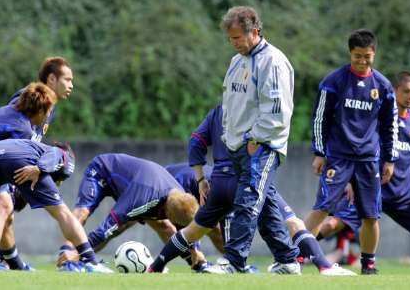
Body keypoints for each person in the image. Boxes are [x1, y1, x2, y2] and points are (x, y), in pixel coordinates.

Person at [150, 104, 355, 275]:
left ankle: (155, 267)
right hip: (251, 178)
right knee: (292, 220)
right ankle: (323, 266)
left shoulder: (218, 110)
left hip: (219, 181)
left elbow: (195, 142)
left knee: (193, 230)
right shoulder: (254, 109)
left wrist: (201, 178)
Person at [203, 6, 299, 274]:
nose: (233, 44)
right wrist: (227, 136)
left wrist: (255, 138)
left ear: (254, 32)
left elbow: (278, 111)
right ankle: (288, 260)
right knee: (265, 205)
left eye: (237, 38)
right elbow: (230, 102)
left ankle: (234, 261)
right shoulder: (236, 61)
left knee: (247, 201)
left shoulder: (273, 62)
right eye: (230, 39)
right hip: (238, 146)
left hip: (262, 146)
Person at [305, 29, 398, 275]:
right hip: (338, 157)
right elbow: (319, 119)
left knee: (371, 216)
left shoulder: (384, 86)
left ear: (374, 54)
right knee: (322, 208)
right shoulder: (333, 82)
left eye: (367, 56)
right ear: (350, 53)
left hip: (369, 160)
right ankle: (296, 256)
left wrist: (390, 159)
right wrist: (319, 152)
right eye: (357, 55)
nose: (362, 60)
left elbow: (390, 125)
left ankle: (368, 265)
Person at [0, 139, 112, 273]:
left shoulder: (21, 143)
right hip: (24, 164)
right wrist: (40, 168)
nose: (58, 183)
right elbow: (55, 154)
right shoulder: (60, 152)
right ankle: (90, 260)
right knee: (63, 213)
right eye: (59, 179)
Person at [317, 71, 410, 265]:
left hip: (400, 196)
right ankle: (294, 253)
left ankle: (365, 263)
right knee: (330, 224)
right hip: (368, 188)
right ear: (395, 91)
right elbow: (357, 149)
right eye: (406, 91)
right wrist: (349, 181)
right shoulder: (378, 119)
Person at [56, 153, 201, 270]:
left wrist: (195, 249)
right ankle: (66, 256)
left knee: (166, 228)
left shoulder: (180, 196)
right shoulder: (144, 199)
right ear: (168, 213)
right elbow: (107, 227)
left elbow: (185, 226)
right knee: (83, 213)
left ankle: (196, 263)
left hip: (134, 187)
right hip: (102, 171)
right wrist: (79, 251)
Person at [0, 82, 56, 270]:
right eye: (48, 110)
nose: (49, 115)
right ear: (39, 110)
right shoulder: (22, 129)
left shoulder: (16, 115)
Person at [165, 163, 226, 253]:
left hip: (184, 181)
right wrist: (194, 248)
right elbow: (189, 221)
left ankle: (232, 263)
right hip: (170, 185)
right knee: (212, 228)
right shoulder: (219, 187)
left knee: (215, 230)